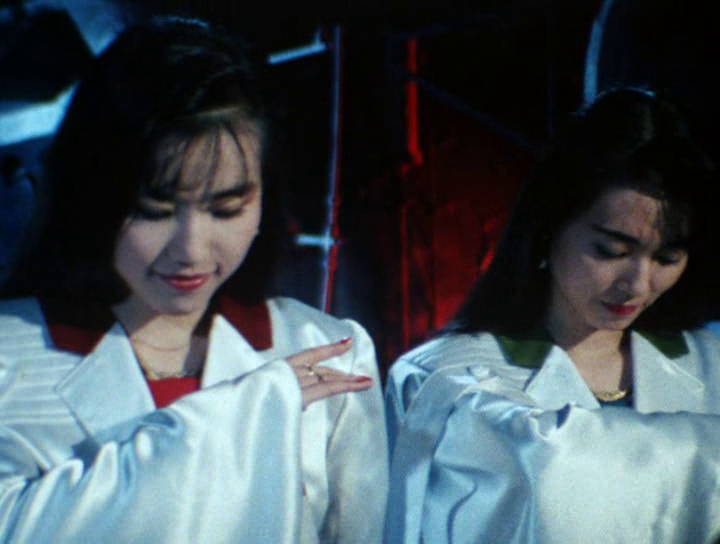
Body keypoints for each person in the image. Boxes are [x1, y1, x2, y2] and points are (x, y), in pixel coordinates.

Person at [0, 16, 387, 543]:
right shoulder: (11, 358)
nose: (191, 250)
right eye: (153, 211)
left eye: (227, 209)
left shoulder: (326, 350)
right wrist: (245, 414)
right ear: (94, 195)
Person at [385, 88, 720, 543]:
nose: (638, 284)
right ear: (548, 227)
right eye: (611, 251)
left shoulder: (711, 362)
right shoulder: (444, 378)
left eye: (667, 258)